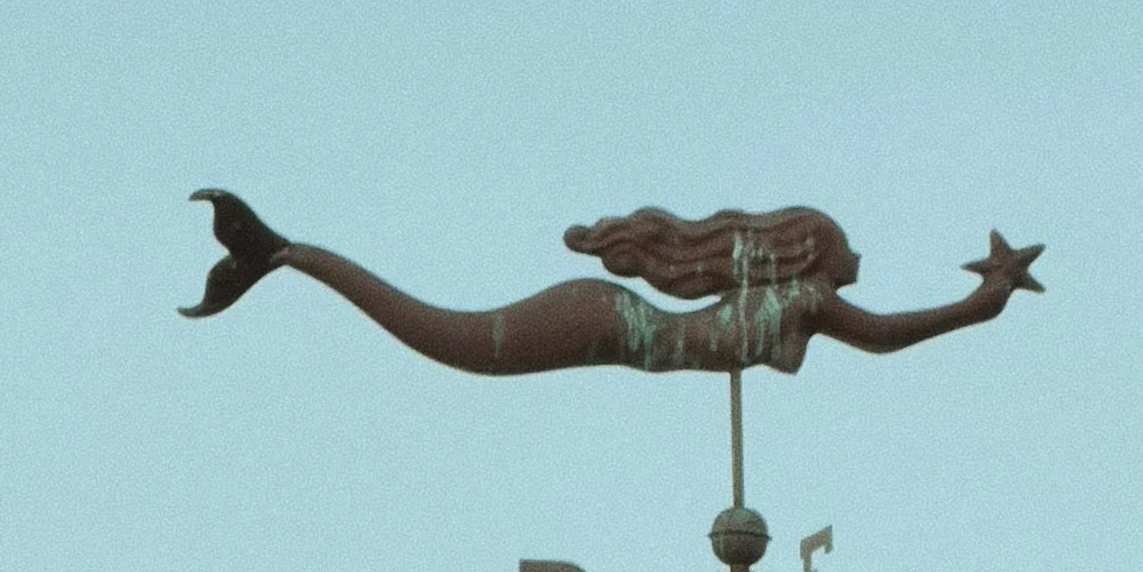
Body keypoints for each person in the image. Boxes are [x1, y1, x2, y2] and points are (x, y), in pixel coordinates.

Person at [180, 190, 1042, 375]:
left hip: (613, 321)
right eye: (845, 249)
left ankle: (289, 254)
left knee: (455, 339)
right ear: (813, 258)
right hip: (607, 322)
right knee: (460, 341)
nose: (855, 263)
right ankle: (289, 254)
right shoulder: (808, 302)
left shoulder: (777, 300)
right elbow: (887, 334)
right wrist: (981, 304)